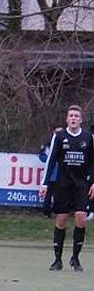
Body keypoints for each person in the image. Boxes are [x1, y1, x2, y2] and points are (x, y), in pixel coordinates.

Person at [39, 105, 94, 272]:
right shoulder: (59, 137)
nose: (73, 118)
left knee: (81, 219)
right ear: (67, 119)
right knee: (61, 220)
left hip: (81, 185)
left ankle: (75, 259)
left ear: (81, 120)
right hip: (63, 185)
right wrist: (44, 183)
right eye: (71, 115)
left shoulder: (88, 137)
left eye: (76, 116)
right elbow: (51, 161)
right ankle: (57, 260)